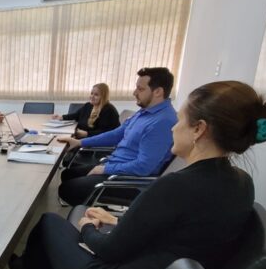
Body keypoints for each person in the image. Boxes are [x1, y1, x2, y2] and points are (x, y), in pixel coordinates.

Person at [10, 80, 266, 269]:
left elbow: (108, 250)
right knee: (50, 246)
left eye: (180, 121)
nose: (173, 128)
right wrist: (117, 221)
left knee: (48, 224)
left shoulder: (177, 185)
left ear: (199, 130)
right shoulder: (240, 182)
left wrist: (88, 227)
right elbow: (182, 230)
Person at [57, 67, 178, 206]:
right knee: (66, 175)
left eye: (140, 89)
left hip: (129, 180)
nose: (134, 93)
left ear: (158, 92)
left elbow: (144, 167)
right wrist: (80, 142)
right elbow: (116, 134)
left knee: (67, 189)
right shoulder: (144, 112)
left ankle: (94, 217)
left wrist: (105, 169)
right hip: (115, 165)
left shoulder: (163, 121)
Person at [52, 83, 120, 139]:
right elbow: (76, 115)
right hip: (81, 137)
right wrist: (61, 117)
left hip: (92, 142)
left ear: (103, 96)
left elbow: (106, 132)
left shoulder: (108, 110)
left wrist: (86, 134)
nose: (92, 96)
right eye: (92, 93)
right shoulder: (88, 105)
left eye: (96, 95)